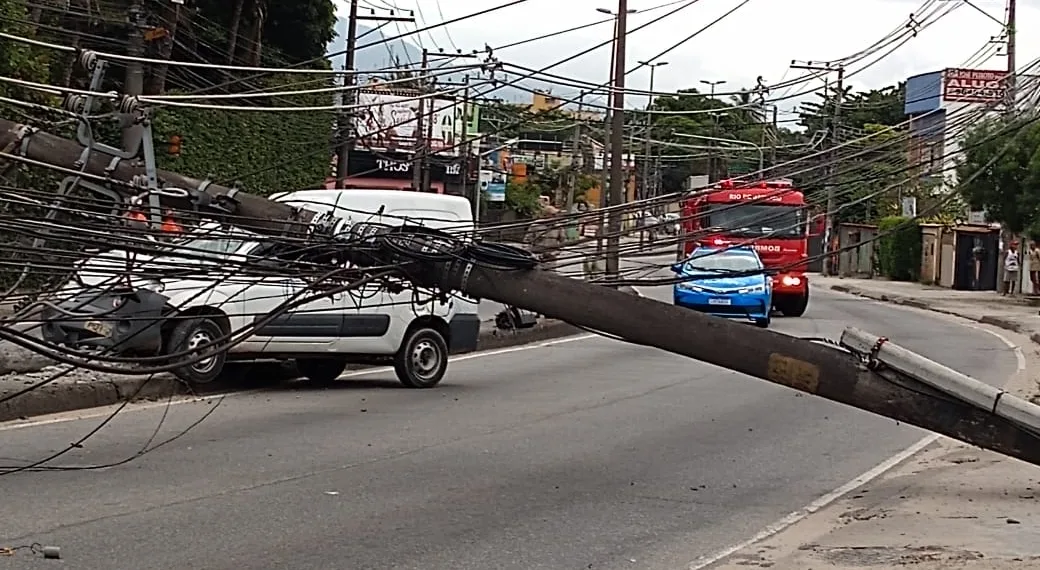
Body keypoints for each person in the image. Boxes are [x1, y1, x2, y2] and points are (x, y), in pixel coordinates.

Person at [523, 202, 567, 272]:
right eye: (553, 215)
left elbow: (563, 242)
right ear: (546, 215)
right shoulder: (535, 225)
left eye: (556, 215)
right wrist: (531, 254)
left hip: (551, 258)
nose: (555, 216)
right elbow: (526, 241)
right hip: (537, 256)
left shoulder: (559, 227)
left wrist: (555, 252)